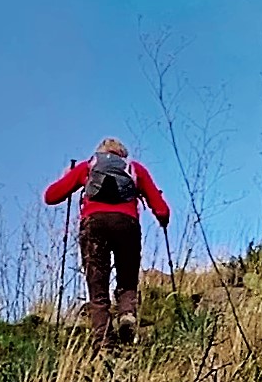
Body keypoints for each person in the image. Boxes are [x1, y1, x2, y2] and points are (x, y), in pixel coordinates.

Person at [42, 138, 171, 342]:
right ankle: (127, 314)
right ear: (122, 154)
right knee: (127, 276)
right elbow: (161, 207)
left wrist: (67, 177)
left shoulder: (88, 166)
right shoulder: (135, 169)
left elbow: (51, 196)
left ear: (100, 153)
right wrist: (163, 217)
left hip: (94, 225)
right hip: (126, 224)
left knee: (97, 282)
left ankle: (103, 340)